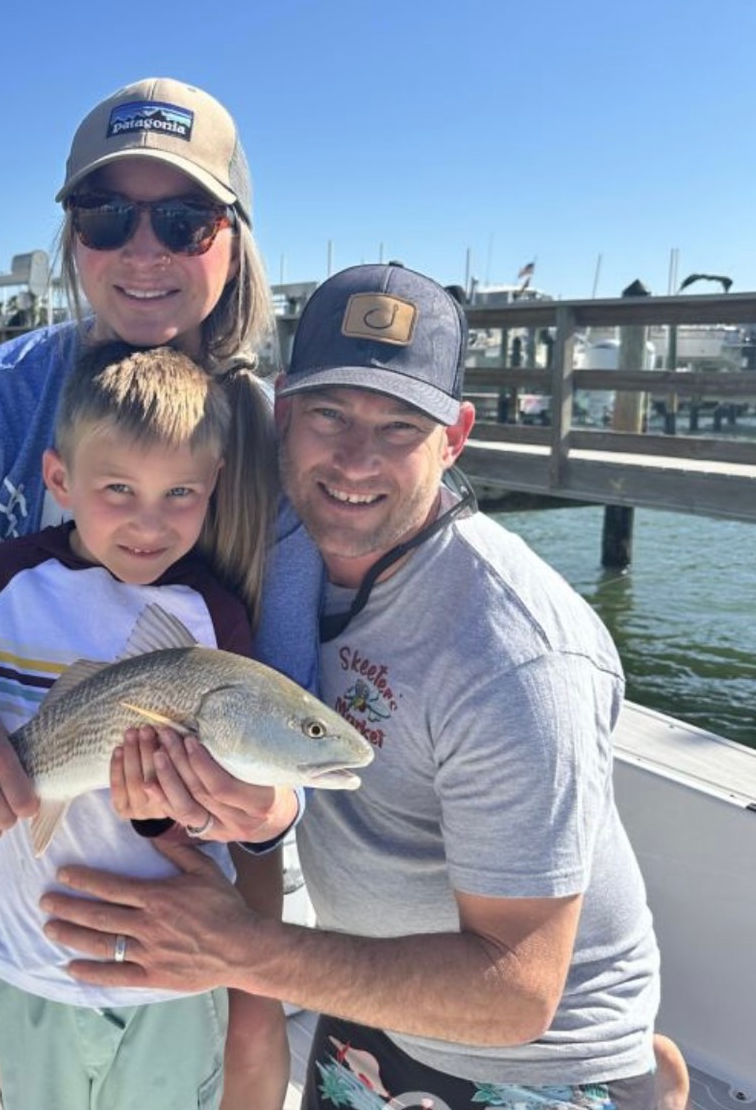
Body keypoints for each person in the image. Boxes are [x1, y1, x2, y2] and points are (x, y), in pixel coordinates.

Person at [39, 263, 680, 1110]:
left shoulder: (517, 656)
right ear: (283, 417)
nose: (355, 459)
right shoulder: (279, 556)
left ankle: (649, 1085)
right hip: (367, 1005)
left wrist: (241, 950)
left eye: (401, 426)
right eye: (330, 415)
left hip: (537, 1059)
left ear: (455, 437)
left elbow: (516, 991)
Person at [0, 77, 297, 1107]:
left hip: (206, 795)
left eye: (183, 219)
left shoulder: (267, 436)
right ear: (71, 237)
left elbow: (292, 681)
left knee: (250, 1051)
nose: (143, 250)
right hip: (32, 776)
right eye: (105, 216)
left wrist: (256, 807)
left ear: (233, 240)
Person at [0, 341, 298, 1109]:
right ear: (59, 480)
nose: (150, 521)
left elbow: (223, 812)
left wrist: (170, 813)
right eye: (117, 490)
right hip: (28, 953)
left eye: (180, 493)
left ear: (215, 487)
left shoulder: (212, 616)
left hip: (166, 973)